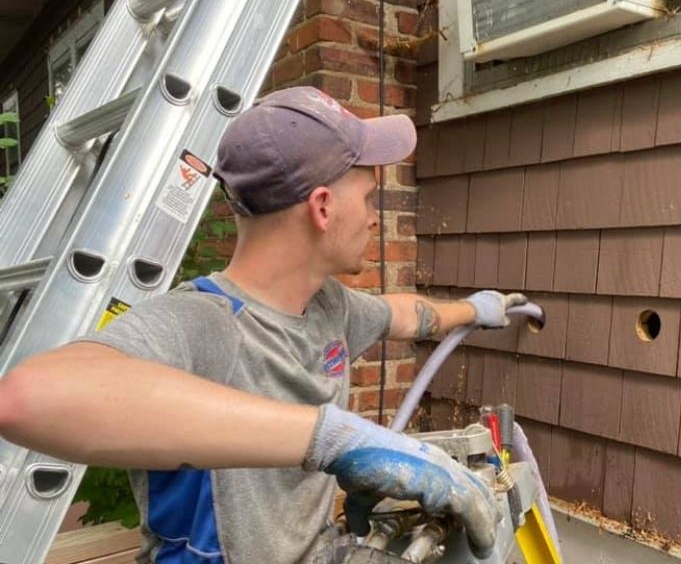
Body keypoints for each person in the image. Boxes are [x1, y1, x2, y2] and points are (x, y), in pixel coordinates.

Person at [0, 86, 527, 564]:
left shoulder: (330, 307)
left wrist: (477, 310)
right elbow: (27, 398)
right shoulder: (205, 323)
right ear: (322, 208)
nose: (373, 217)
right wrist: (335, 440)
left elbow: (402, 313)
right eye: (368, 199)